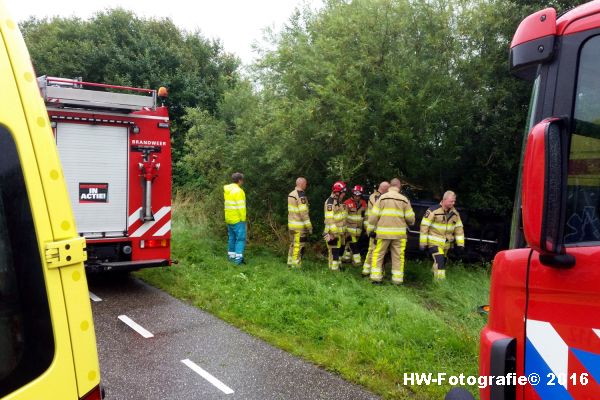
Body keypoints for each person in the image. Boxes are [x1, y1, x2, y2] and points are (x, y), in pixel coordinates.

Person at [367, 178, 415, 284]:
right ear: (399, 186)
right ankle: (397, 280)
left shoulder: (382, 198)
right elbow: (411, 220)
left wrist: (371, 228)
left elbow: (372, 218)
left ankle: (376, 278)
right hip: (399, 235)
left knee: (378, 254)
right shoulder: (404, 199)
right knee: (398, 256)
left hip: (383, 233)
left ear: (390, 187)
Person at [419, 190, 465, 280]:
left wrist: (460, 244)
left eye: (454, 201)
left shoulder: (455, 213)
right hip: (434, 242)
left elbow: (459, 228)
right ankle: (440, 283)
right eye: (451, 201)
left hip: (446, 245)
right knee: (440, 261)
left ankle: (432, 277)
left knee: (441, 262)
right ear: (444, 200)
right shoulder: (433, 210)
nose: (453, 203)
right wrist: (423, 243)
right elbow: (424, 226)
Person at [361, 181, 390, 276]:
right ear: (385, 189)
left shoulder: (376, 196)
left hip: (376, 228)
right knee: (375, 250)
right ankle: (372, 271)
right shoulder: (376, 197)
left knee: (375, 250)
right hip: (375, 228)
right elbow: (376, 213)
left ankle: (368, 270)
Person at [287, 177, 312, 268]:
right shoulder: (301, 195)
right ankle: (296, 266)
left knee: (293, 244)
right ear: (301, 184)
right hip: (299, 226)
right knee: (299, 246)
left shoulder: (291, 194)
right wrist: (309, 226)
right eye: (305, 184)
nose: (306, 185)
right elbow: (303, 212)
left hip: (291, 224)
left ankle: (290, 263)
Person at [223, 172, 246, 265]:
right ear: (239, 180)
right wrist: (243, 219)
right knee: (240, 239)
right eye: (242, 180)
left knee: (232, 238)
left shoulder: (227, 190)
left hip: (229, 218)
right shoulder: (239, 191)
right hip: (237, 219)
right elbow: (241, 207)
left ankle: (231, 257)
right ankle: (238, 260)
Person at [323, 181, 347, 271]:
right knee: (334, 252)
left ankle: (336, 269)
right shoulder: (330, 202)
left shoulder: (338, 202)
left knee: (337, 251)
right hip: (332, 232)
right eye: (343, 192)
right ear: (337, 192)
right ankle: (333, 271)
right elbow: (329, 219)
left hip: (339, 232)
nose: (344, 194)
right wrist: (334, 233)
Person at [342, 185, 367, 267]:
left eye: (358, 195)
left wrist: (366, 228)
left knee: (350, 245)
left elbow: (366, 216)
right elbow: (343, 217)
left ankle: (346, 259)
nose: (357, 197)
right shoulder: (346, 203)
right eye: (355, 195)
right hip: (349, 229)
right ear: (353, 194)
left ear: (361, 195)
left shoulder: (363, 203)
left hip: (358, 229)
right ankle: (357, 261)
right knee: (354, 245)